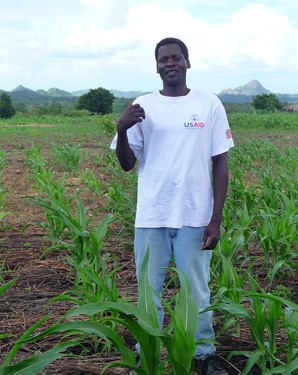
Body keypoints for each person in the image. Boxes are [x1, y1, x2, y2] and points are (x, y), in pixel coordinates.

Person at [110, 37, 233, 375]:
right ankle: (147, 349)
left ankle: (203, 355)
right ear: (157, 66)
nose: (170, 63)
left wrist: (216, 218)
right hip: (152, 216)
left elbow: (220, 162)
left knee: (197, 288)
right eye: (163, 59)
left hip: (195, 214)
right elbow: (126, 163)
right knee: (149, 291)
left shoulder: (209, 105)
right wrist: (121, 130)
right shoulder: (143, 105)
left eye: (176, 58)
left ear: (188, 62)